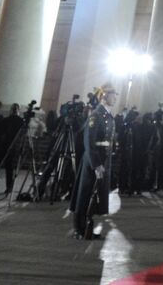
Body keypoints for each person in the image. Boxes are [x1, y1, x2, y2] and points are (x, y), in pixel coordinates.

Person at [73, 84, 116, 239]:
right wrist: (96, 164)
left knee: (95, 194)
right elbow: (89, 142)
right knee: (85, 193)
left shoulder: (107, 116)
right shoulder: (96, 116)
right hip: (94, 161)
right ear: (104, 96)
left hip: (104, 160)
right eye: (112, 95)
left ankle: (87, 226)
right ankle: (79, 228)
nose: (115, 97)